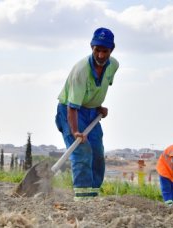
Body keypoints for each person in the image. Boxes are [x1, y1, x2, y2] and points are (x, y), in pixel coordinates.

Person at [55, 27, 119, 201]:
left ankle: (92, 195)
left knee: (97, 154)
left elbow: (98, 88)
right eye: (97, 50)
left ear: (111, 50)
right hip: (70, 112)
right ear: (92, 47)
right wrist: (75, 131)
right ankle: (82, 198)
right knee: (82, 151)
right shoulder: (81, 71)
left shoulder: (113, 65)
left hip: (91, 113)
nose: (100, 55)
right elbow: (72, 106)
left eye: (104, 51)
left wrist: (98, 106)